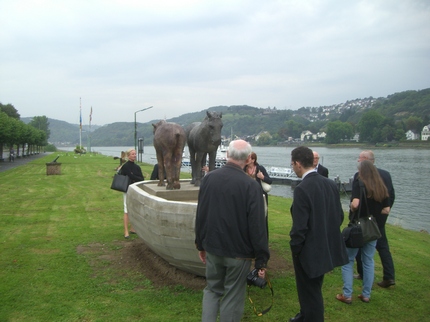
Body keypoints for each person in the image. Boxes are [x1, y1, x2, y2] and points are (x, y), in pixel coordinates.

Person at [195, 139, 270, 322]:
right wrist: (261, 260)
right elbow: (257, 225)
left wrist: (200, 244)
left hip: (213, 246)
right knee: (233, 295)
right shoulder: (251, 186)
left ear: (227, 155)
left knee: (212, 290)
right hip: (239, 253)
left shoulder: (209, 179)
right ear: (247, 159)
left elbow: (201, 215)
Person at [289, 146, 348, 322]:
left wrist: (296, 249)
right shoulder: (329, 183)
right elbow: (339, 216)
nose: (292, 167)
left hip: (308, 250)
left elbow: (300, 228)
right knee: (313, 287)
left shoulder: (302, 189)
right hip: (326, 246)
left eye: (292, 164)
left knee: (310, 292)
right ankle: (304, 315)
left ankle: (312, 317)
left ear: (298, 164)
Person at [337, 160, 391, 304]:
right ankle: (366, 294)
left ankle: (347, 294)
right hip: (372, 228)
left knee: (348, 260)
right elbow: (386, 209)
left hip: (357, 227)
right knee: (368, 260)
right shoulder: (381, 186)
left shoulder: (359, 182)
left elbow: (355, 203)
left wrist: (353, 208)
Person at [353, 150, 396, 288]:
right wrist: (384, 213)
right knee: (383, 246)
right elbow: (390, 196)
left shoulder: (360, 176)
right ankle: (389, 276)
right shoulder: (385, 175)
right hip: (380, 217)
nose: (358, 161)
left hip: (365, 218)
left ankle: (362, 272)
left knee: (360, 243)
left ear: (366, 159)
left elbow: (357, 200)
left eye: (359, 158)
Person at [120, 149, 144, 238]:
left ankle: (133, 228)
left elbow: (141, 178)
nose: (134, 155)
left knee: (134, 209)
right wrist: (134, 177)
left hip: (136, 189)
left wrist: (134, 176)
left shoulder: (137, 167)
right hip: (127, 189)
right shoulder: (125, 166)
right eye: (133, 154)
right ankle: (126, 231)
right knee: (126, 209)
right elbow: (130, 176)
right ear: (128, 156)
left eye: (135, 154)